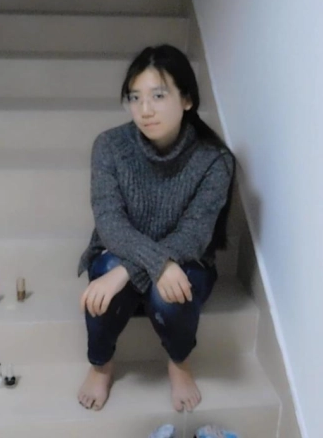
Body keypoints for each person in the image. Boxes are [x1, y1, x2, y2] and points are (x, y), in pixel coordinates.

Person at [76, 44, 236, 413]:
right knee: (105, 274)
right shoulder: (110, 146)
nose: (144, 109)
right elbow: (109, 222)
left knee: (170, 289)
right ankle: (101, 365)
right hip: (120, 250)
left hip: (184, 259)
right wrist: (142, 265)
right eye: (135, 97)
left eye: (158, 96)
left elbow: (194, 236)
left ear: (187, 100)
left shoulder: (214, 161)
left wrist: (131, 271)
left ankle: (179, 363)